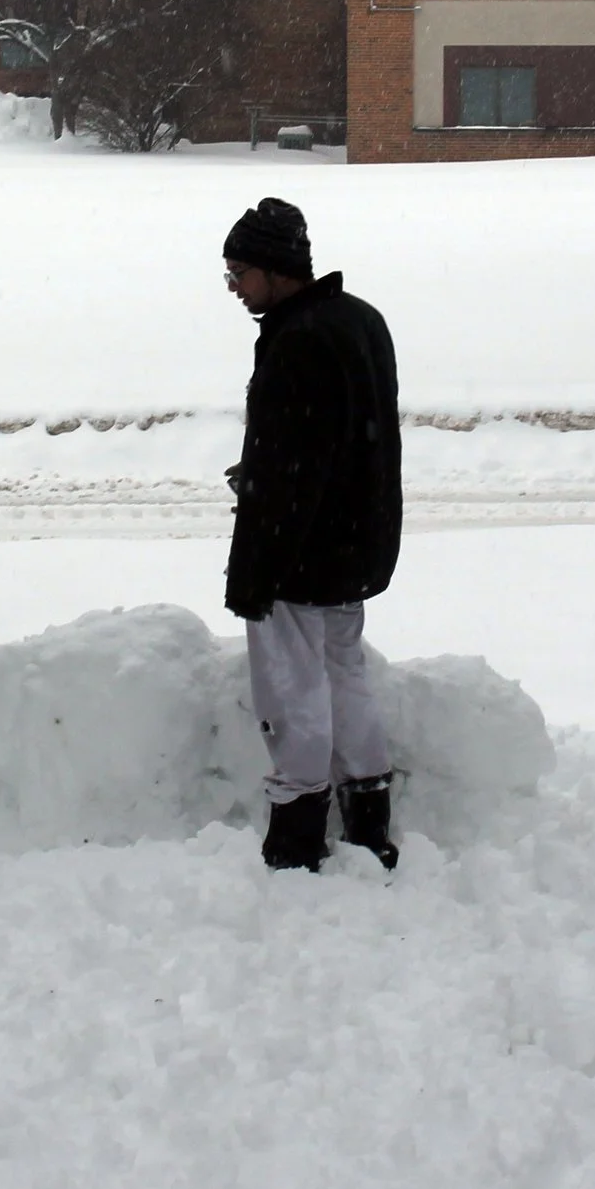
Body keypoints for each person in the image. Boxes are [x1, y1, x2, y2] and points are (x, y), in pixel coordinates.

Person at [221, 197, 404, 872]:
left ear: (275, 269)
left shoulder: (298, 339)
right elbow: (350, 436)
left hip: (300, 549)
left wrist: (256, 573)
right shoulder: (359, 320)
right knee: (343, 672)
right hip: (356, 540)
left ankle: (297, 836)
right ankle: (369, 819)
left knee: (291, 688)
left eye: (240, 272)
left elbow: (298, 467)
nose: (235, 287)